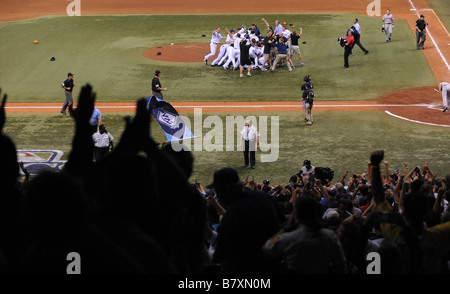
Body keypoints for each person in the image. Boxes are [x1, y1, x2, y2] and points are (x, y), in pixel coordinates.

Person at [208, 167, 284, 274]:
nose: (218, 196)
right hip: (275, 265)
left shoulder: (232, 216)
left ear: (227, 190)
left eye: (219, 190)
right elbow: (282, 222)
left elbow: (221, 256)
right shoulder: (264, 197)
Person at [263, 194, 347, 273]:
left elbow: (267, 247)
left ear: (296, 214)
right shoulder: (330, 236)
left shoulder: (288, 238)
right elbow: (341, 265)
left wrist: (286, 228)